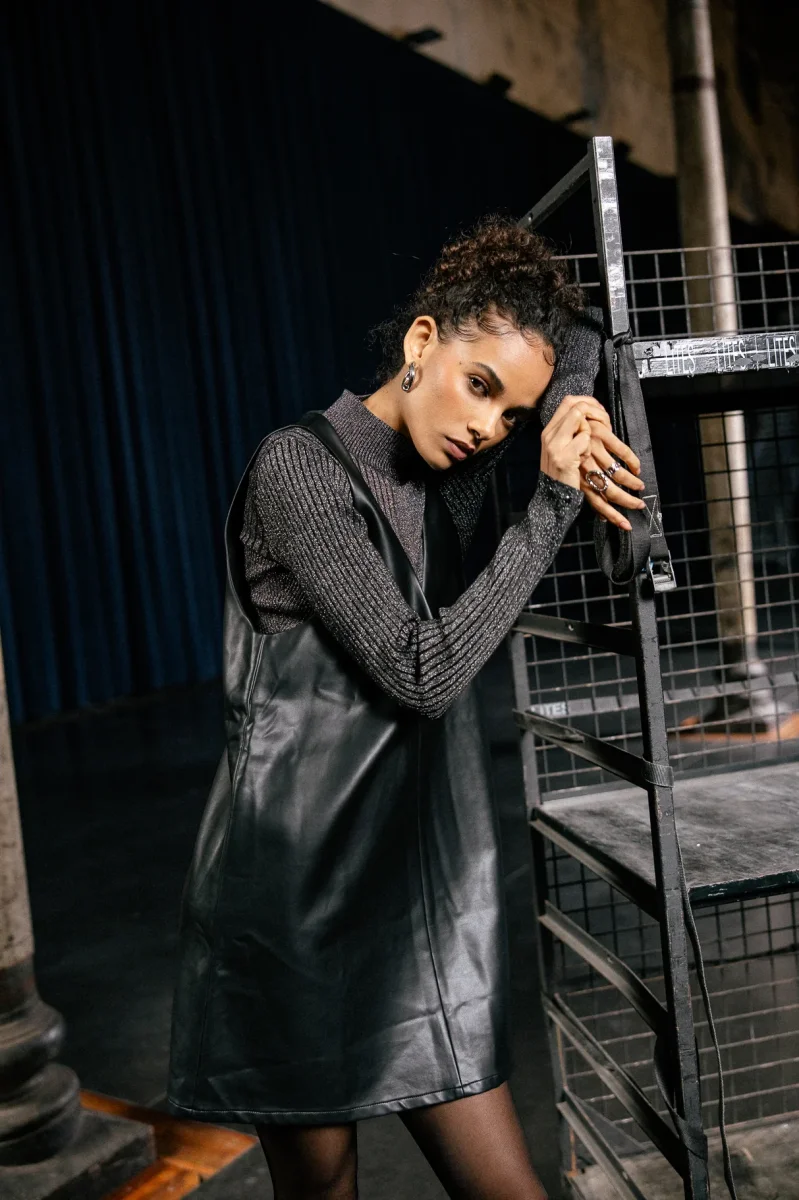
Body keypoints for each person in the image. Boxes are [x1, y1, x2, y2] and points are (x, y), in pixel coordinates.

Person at [166, 214, 646, 1199]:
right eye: (480, 386)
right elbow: (423, 672)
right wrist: (549, 502)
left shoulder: (453, 476)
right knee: (322, 1191)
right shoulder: (297, 468)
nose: (488, 429)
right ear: (421, 341)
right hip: (294, 906)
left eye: (511, 416)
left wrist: (570, 410)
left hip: (417, 901)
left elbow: (580, 346)